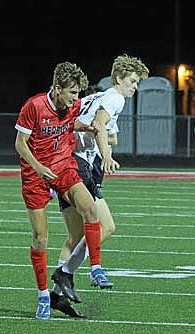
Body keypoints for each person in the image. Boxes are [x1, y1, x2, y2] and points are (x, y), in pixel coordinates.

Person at [49, 54, 149, 316]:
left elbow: (99, 129)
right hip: (80, 165)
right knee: (106, 226)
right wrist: (106, 154)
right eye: (133, 81)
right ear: (119, 79)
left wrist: (103, 139)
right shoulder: (114, 97)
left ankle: (56, 296)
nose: (135, 87)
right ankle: (70, 273)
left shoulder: (97, 97)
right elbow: (100, 126)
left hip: (67, 162)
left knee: (75, 236)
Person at [14, 61, 112, 320]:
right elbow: (20, 144)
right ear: (57, 88)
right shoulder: (34, 106)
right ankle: (44, 296)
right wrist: (38, 167)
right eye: (71, 93)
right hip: (35, 175)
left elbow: (71, 123)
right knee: (40, 238)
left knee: (90, 208)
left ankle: (96, 268)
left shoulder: (74, 106)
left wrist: (88, 127)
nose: (75, 99)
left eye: (78, 93)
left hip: (64, 166)